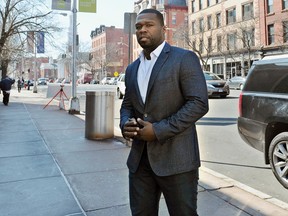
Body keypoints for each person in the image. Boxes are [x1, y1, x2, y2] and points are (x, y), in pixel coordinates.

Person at [119, 9, 209, 216]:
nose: (143, 30)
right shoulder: (132, 69)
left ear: (163, 29)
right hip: (140, 162)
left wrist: (158, 130)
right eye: (139, 26)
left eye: (149, 25)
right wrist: (125, 124)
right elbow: (127, 105)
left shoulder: (184, 58)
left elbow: (198, 103)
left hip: (177, 161)